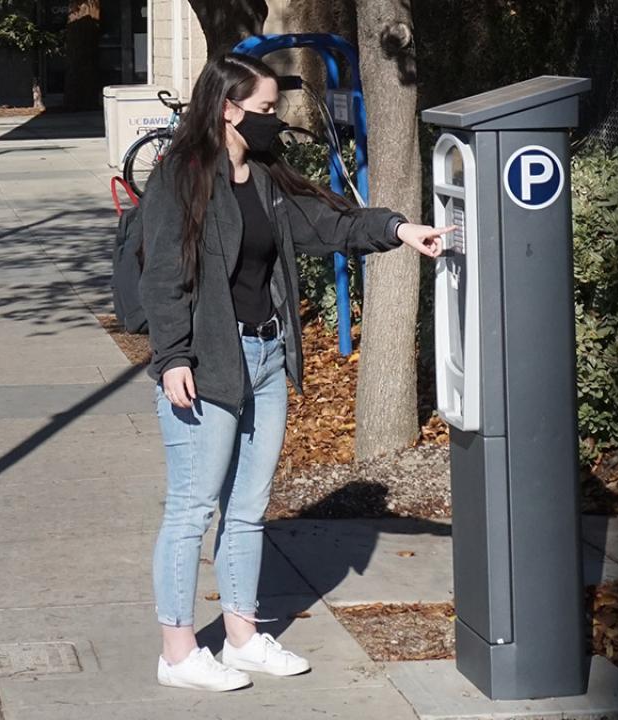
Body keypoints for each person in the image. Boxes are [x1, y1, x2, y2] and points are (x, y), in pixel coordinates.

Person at [140, 53, 451, 693]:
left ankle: (243, 636)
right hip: (207, 364)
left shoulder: (266, 179)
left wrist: (398, 228)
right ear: (227, 108)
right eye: (264, 111)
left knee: (249, 509)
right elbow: (163, 277)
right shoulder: (182, 176)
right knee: (193, 509)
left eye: (275, 112)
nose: (273, 122)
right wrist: (172, 358)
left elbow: (327, 222)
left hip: (265, 358)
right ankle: (177, 652)